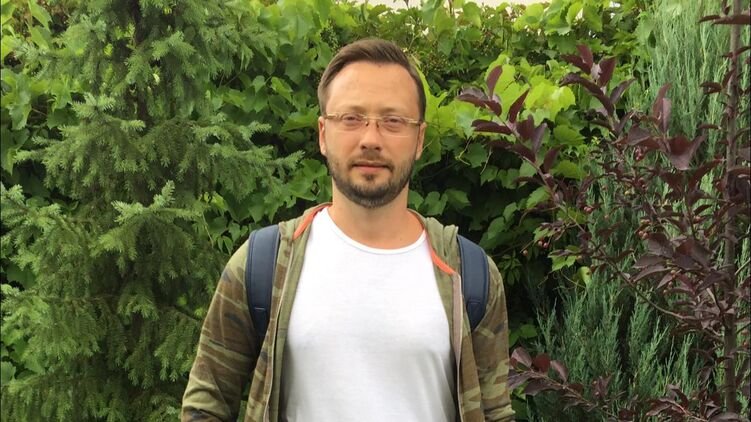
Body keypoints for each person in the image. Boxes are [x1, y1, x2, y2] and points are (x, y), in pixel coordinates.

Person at [182, 38, 514, 422]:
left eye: (393, 121)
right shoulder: (264, 264)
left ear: (420, 139)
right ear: (323, 134)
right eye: (351, 118)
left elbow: (495, 413)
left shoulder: (468, 275)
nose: (371, 140)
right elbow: (206, 404)